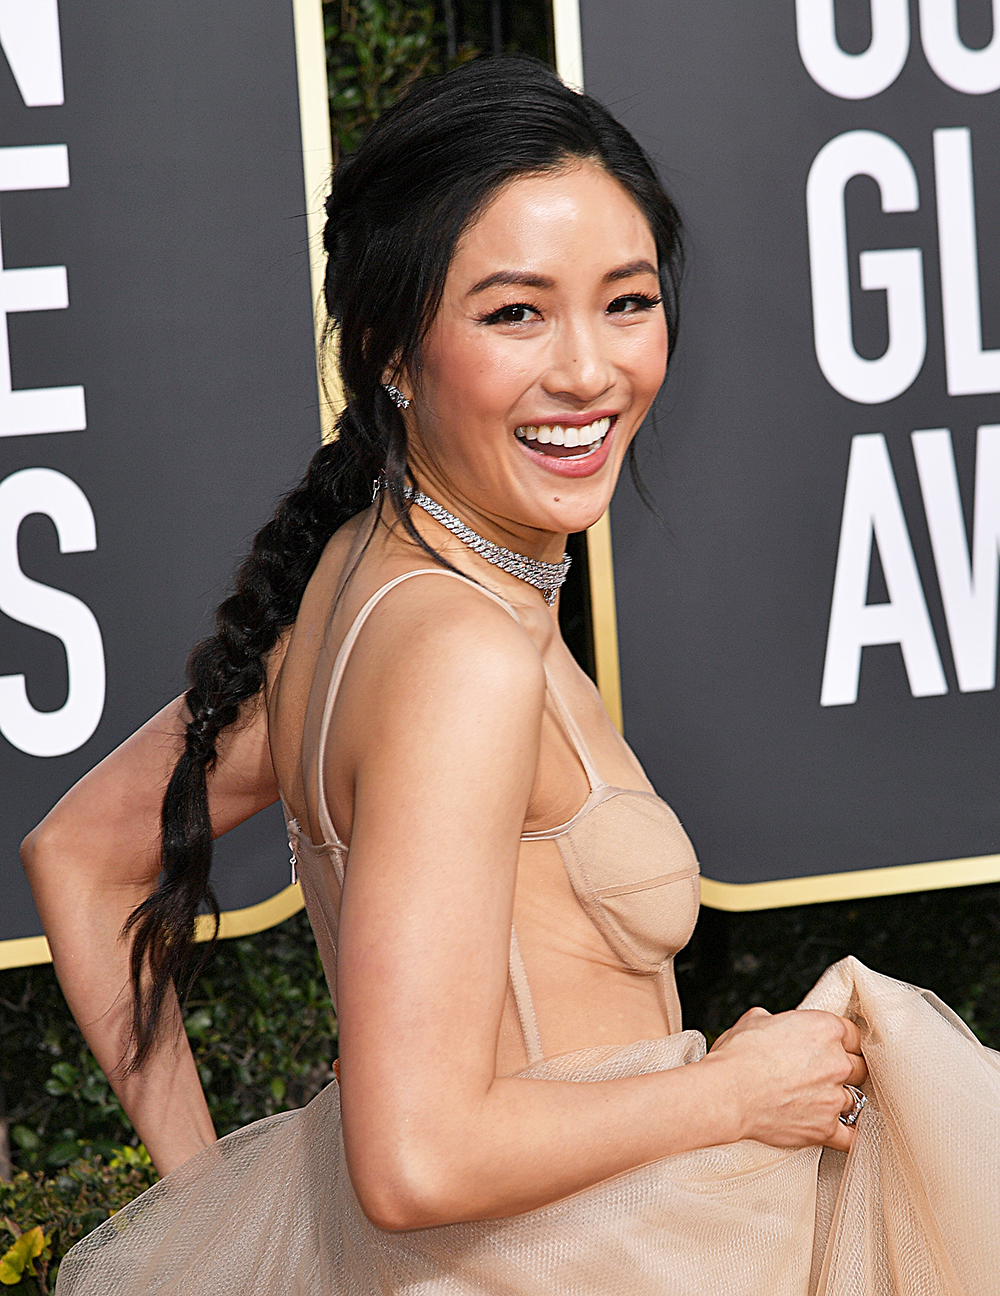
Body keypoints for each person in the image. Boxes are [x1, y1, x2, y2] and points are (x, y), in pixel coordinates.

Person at [23, 57, 1000, 1296]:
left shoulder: (358, 581)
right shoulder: (461, 655)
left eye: (627, 301)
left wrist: (210, 1207)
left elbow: (81, 849)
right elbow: (414, 1161)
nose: (589, 371)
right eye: (514, 313)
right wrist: (726, 1092)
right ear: (387, 344)